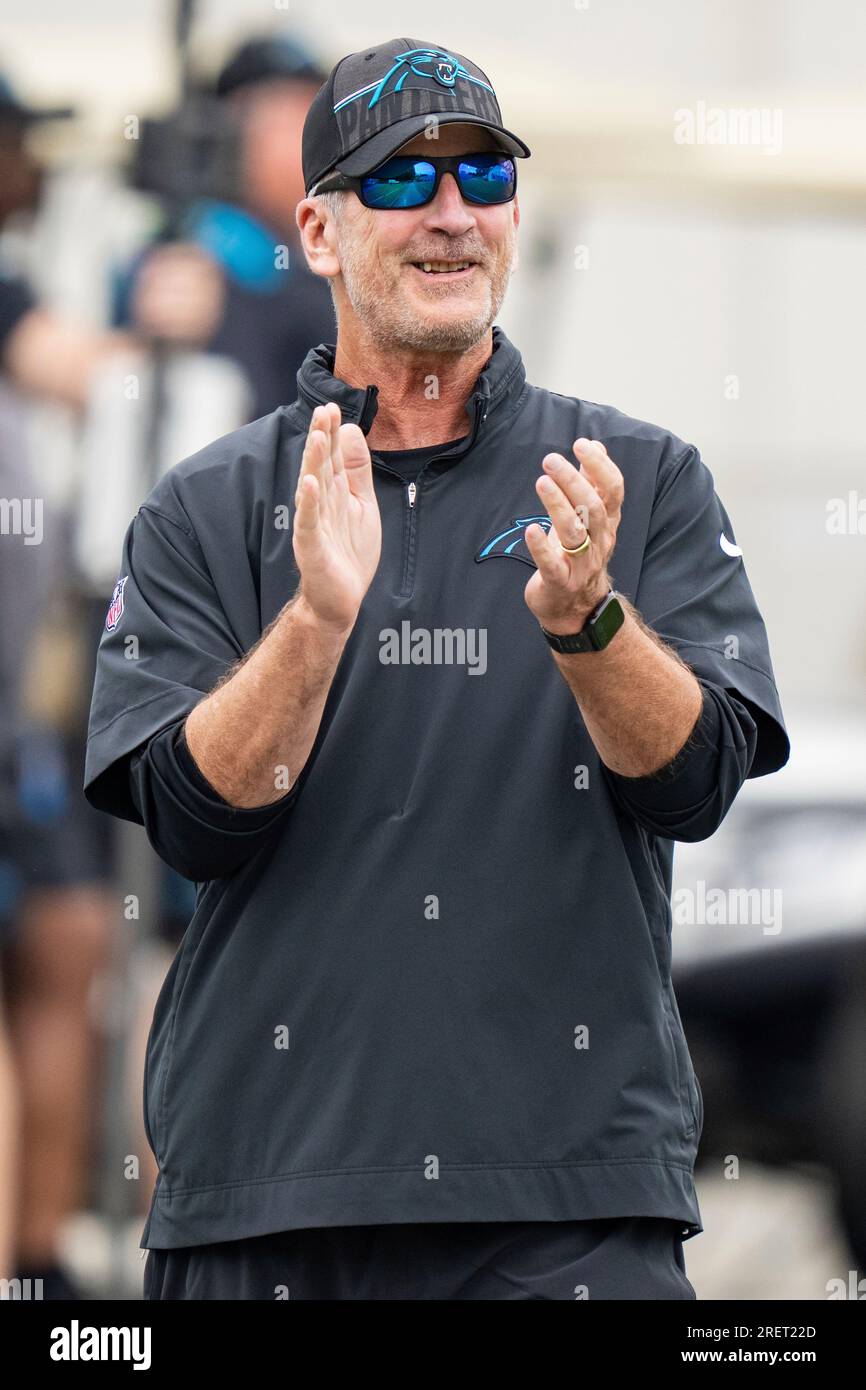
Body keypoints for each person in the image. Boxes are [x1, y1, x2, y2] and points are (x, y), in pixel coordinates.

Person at [83, 37, 790, 1301]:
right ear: (317, 228)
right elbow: (190, 822)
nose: (450, 213)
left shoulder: (636, 477)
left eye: (482, 176)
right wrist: (313, 621)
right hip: (265, 1202)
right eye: (401, 180)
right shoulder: (205, 505)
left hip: (569, 1208)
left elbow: (695, 784)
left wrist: (590, 625)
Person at [119, 34, 336, 420]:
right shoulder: (189, 250)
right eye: (290, 120)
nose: (316, 141)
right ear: (230, 133)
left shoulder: (303, 255)